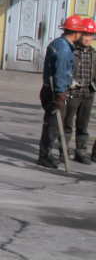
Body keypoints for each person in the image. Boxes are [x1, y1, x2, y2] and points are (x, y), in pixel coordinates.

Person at [38, 15, 86, 168]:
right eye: (81, 32)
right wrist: (60, 94)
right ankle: (45, 156)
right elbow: (60, 73)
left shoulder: (58, 43)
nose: (82, 36)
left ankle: (45, 154)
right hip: (55, 92)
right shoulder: (64, 49)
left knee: (50, 124)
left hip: (50, 88)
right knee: (52, 125)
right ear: (76, 33)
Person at [64, 17, 96, 165]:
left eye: (91, 35)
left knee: (83, 125)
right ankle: (63, 151)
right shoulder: (71, 50)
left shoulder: (93, 53)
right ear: (79, 34)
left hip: (88, 94)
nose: (88, 38)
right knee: (67, 124)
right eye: (85, 34)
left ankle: (81, 152)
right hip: (73, 94)